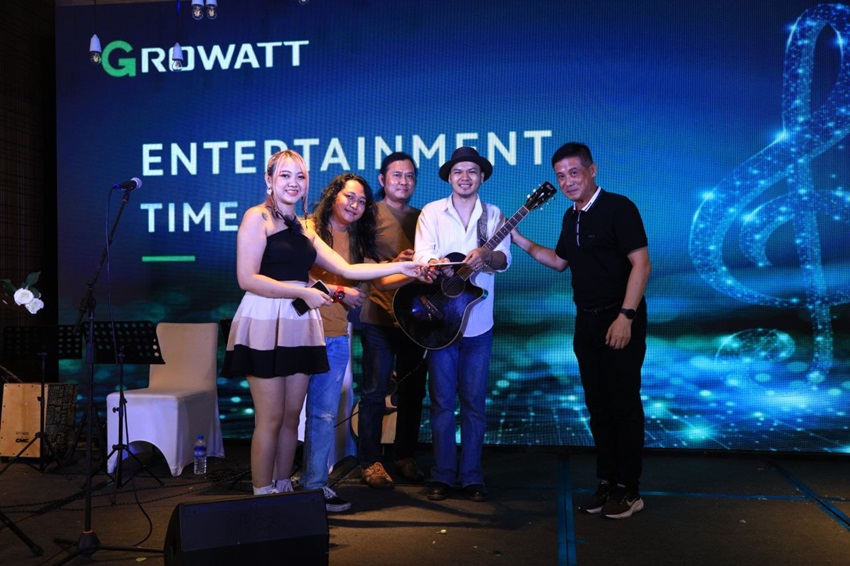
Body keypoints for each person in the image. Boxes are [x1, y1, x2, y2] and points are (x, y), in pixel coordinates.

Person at [221, 150, 423, 498]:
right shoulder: (257, 217)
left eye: (300, 176)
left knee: (290, 418)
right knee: (270, 419)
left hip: (298, 322)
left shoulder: (300, 228)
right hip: (266, 321)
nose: (293, 183)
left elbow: (348, 269)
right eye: (285, 175)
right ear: (269, 180)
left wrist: (403, 267)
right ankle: (263, 495)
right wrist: (305, 292)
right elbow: (247, 278)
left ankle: (285, 490)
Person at [511, 142, 650, 519]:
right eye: (560, 176)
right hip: (585, 321)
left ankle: (630, 489)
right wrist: (518, 239)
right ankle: (607, 482)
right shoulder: (570, 217)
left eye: (574, 172)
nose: (567, 181)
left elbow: (641, 265)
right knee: (597, 406)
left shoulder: (619, 208)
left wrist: (626, 316)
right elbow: (559, 262)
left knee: (623, 405)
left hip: (619, 319)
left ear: (592, 170)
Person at [413, 146, 511, 502]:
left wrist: (487, 255)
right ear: (449, 178)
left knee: (474, 404)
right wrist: (437, 262)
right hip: (442, 323)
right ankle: (442, 474)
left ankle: (471, 476)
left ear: (481, 177)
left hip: (478, 326)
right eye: (458, 171)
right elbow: (422, 254)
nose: (465, 177)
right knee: (441, 404)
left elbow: (504, 260)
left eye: (472, 171)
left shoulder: (494, 215)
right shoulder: (431, 212)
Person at [302, 172, 377, 512]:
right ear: (333, 195)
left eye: (362, 201)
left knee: (322, 416)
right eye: (350, 196)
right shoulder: (307, 229)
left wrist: (411, 267)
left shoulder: (359, 241)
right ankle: (275, 485)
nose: (355, 205)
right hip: (298, 334)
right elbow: (293, 281)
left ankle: (314, 486)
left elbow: (375, 278)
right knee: (285, 416)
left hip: (335, 336)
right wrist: (339, 292)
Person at [357, 152, 429, 490]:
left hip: (415, 320)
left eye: (410, 176)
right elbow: (366, 269)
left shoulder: (424, 217)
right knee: (374, 392)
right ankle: (370, 461)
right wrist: (398, 264)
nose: (403, 181)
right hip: (378, 316)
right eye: (397, 175)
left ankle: (404, 456)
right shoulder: (367, 215)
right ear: (382, 179)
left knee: (413, 392)